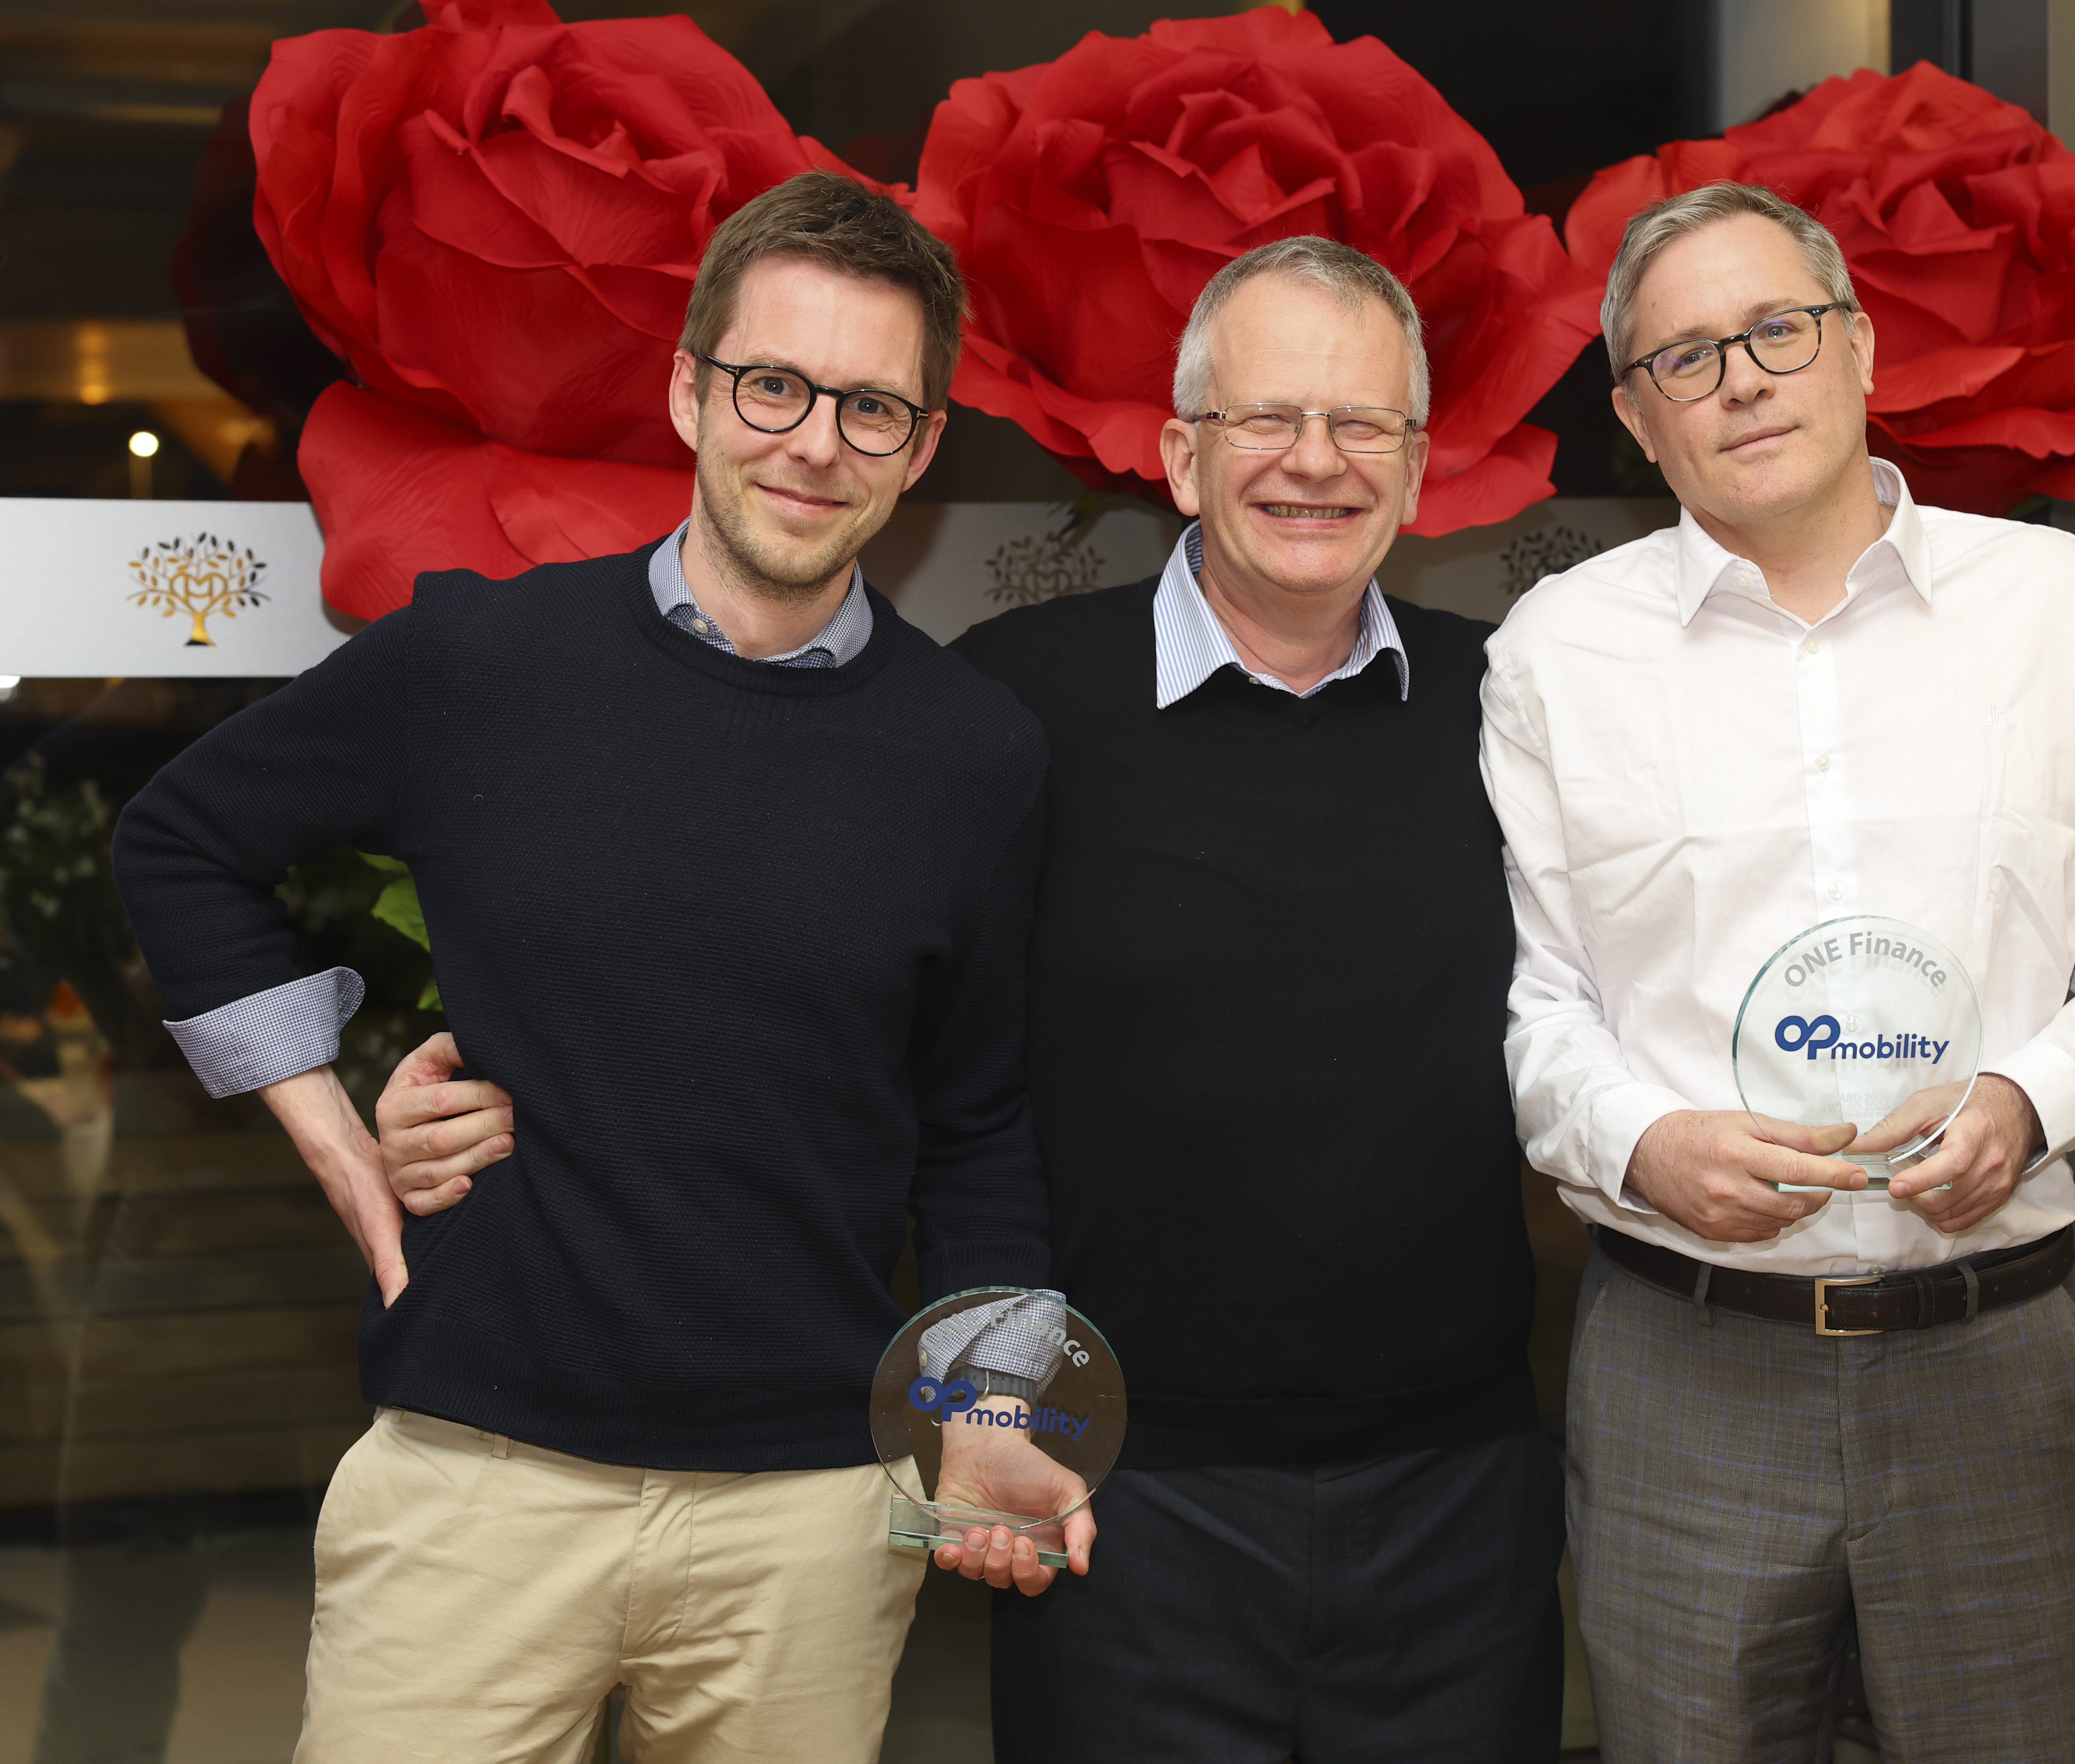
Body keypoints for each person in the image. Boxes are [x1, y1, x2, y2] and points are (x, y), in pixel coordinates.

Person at [387, 236, 1565, 1762]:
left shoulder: (1515, 706)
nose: (1315, 461)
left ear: (1418, 466)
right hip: (1107, 1491)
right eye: (1268, 417)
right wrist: (486, 1089)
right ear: (1179, 454)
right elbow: (818, 1008)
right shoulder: (1003, 705)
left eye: (1364, 425)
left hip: (1460, 1490)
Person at [109, 171, 1082, 1764]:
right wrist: (341, 1143)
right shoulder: (476, 663)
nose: (814, 442)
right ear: (689, 392)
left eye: (871, 408)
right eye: (773, 385)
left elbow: (976, 1125)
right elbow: (180, 840)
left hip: (809, 1522)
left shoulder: (979, 756)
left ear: (921, 451)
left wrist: (992, 1408)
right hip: (473, 1491)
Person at [1479, 179, 2075, 1762]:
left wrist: (2032, 1100)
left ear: (1863, 348)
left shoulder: (2057, 608)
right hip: (1687, 1370)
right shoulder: (1557, 652)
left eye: (1779, 329)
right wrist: (1644, 1143)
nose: (1742, 381)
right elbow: (1538, 1006)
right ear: (1635, 416)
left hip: (1994, 1365)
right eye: (1685, 358)